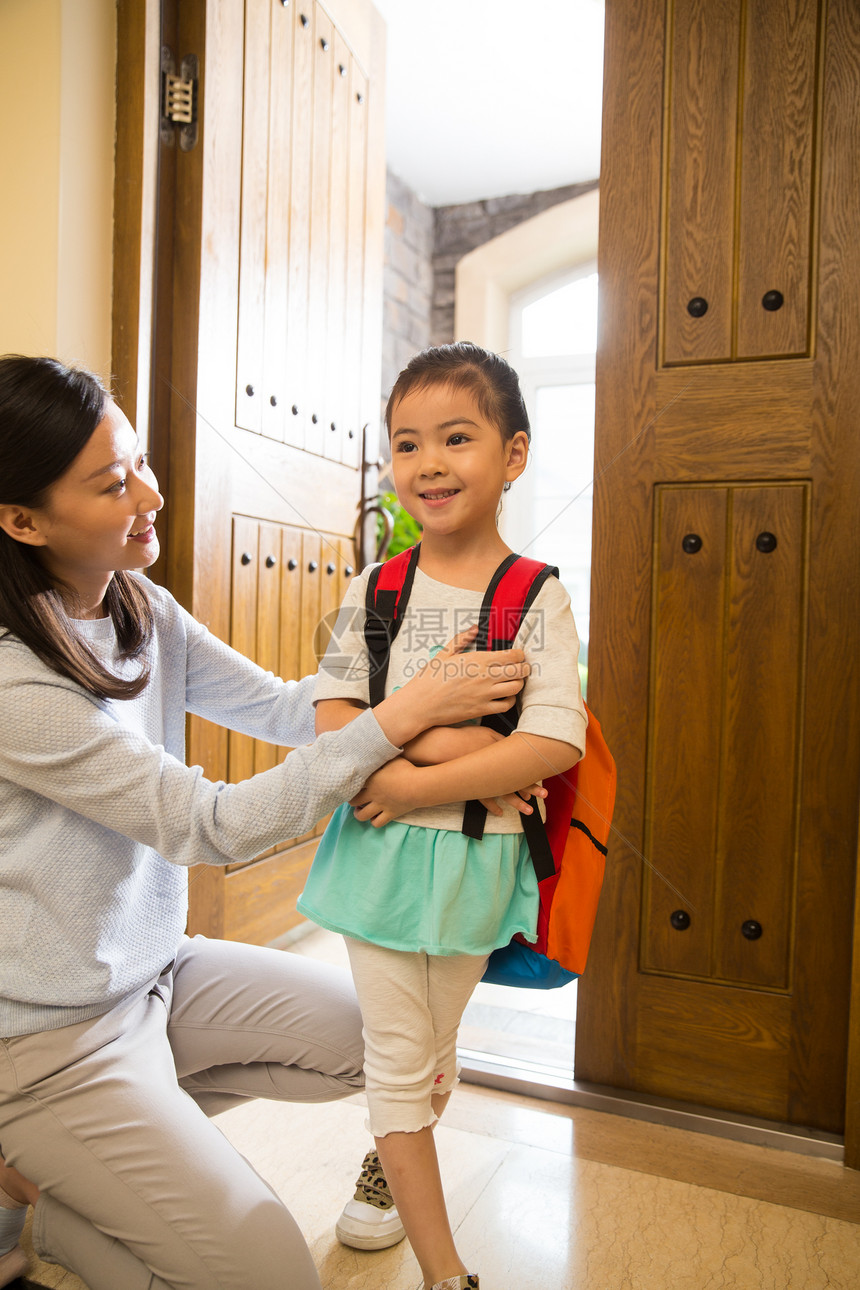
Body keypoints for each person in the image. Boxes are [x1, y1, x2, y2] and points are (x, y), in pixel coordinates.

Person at [0, 354, 533, 1290]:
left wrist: (453, 735)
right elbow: (210, 825)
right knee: (272, 1277)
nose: (152, 494)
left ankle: (86, 1171)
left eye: (142, 461)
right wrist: (405, 720)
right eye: (113, 482)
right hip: (46, 1044)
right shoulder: (14, 684)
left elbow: (295, 710)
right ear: (21, 520)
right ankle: (53, 1207)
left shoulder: (139, 607)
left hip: (160, 976)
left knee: (392, 1043)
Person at [297, 342, 587, 1290]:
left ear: (513, 453)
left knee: (433, 1046)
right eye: (407, 443)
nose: (427, 463)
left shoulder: (534, 596)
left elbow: (554, 741)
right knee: (397, 1054)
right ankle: (445, 1271)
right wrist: (452, 746)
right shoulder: (374, 593)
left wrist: (411, 768)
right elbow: (337, 722)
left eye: (455, 439)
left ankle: (392, 1158)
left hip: (475, 863)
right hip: (374, 859)